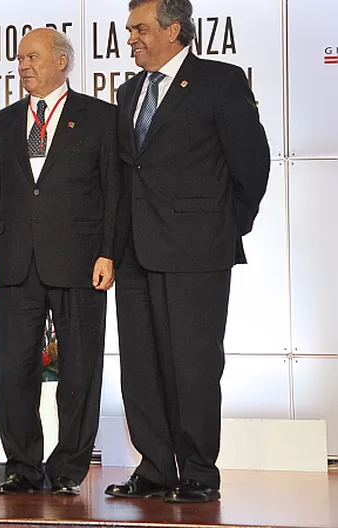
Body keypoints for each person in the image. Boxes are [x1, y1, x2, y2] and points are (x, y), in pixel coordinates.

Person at [106, 0, 269, 504]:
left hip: (198, 253)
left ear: (174, 30)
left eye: (140, 28)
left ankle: (198, 474)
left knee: (193, 366)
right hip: (135, 251)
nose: (130, 37)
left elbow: (251, 165)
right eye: (129, 28)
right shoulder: (129, 90)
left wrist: (221, 230)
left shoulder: (220, 81)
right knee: (141, 366)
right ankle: (155, 470)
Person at [0, 28, 120, 496]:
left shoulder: (100, 117)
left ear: (62, 62)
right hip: (15, 262)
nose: (24, 66)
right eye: (20, 59)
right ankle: (22, 464)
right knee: (14, 367)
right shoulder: (3, 121)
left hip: (80, 262)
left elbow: (113, 193)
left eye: (33, 57)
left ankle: (68, 468)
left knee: (79, 368)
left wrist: (109, 251)